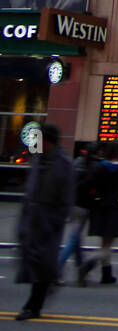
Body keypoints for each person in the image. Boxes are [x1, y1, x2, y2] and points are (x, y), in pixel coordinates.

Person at [16, 122, 74, 320]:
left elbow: (66, 199)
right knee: (33, 262)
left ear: (48, 141)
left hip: (48, 222)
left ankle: (32, 306)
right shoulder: (37, 160)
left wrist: (55, 221)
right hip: (31, 220)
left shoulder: (64, 164)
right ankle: (41, 293)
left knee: (41, 264)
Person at [79, 141, 118, 285]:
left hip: (99, 207)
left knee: (104, 241)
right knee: (108, 244)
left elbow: (86, 184)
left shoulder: (100, 168)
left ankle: (106, 274)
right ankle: (89, 262)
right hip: (116, 208)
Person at [57, 143, 95, 282]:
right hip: (83, 206)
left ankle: (81, 268)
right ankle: (57, 270)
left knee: (76, 239)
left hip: (72, 204)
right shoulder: (92, 168)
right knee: (74, 239)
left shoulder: (75, 164)